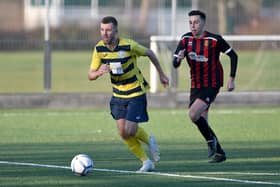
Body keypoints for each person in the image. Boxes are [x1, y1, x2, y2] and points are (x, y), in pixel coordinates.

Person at [88, 16, 169, 171]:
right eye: (102, 30)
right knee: (123, 133)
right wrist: (98, 72)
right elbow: (90, 75)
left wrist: (162, 74)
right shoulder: (99, 49)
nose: (105, 33)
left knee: (131, 130)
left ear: (116, 31)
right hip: (118, 95)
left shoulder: (128, 45)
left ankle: (148, 139)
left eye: (108, 30)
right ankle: (146, 162)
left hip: (135, 92)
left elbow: (150, 53)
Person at [172, 10, 238, 163]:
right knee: (202, 120)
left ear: (203, 23)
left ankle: (210, 142)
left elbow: (233, 55)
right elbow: (175, 63)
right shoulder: (185, 39)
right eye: (190, 22)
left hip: (212, 83)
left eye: (196, 22)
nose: (193, 25)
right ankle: (219, 152)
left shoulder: (214, 40)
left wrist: (232, 79)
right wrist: (179, 59)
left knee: (193, 114)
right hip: (196, 84)